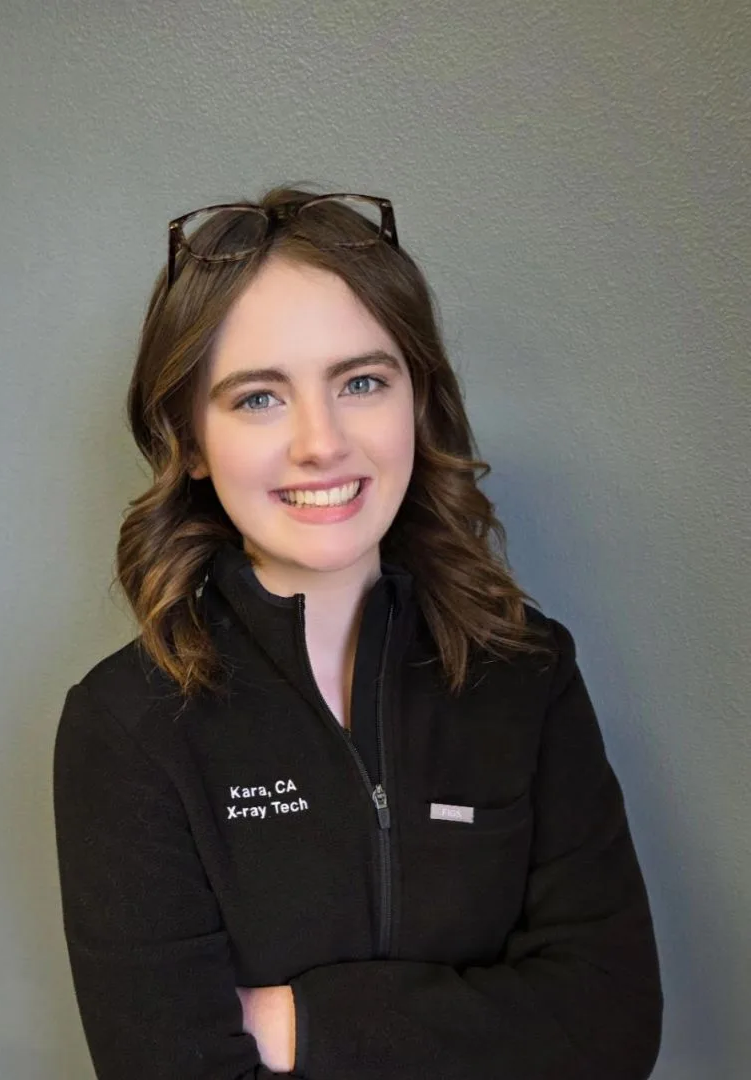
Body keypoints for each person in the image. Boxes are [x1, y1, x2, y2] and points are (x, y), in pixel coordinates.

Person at [52, 187, 663, 1079]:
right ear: (190, 441)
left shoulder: (526, 671)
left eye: (362, 382)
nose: (321, 443)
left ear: (418, 400)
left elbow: (612, 1021)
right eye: (258, 398)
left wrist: (302, 1022)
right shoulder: (126, 726)